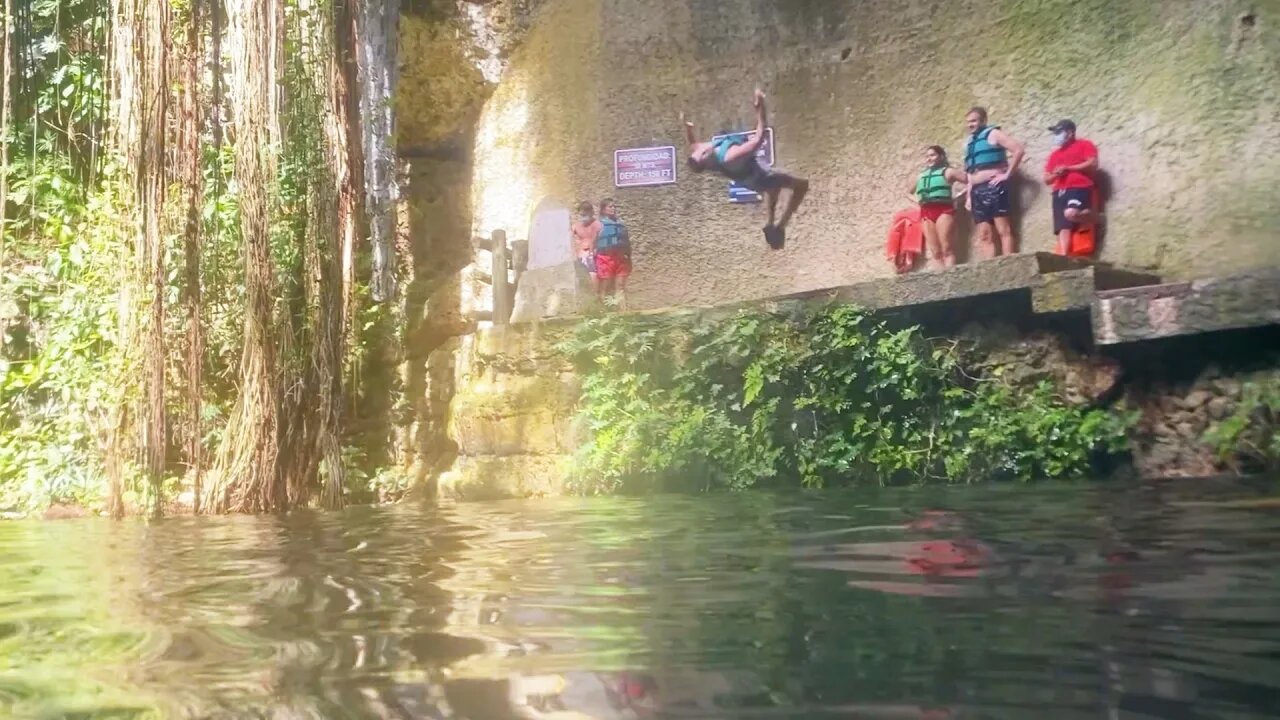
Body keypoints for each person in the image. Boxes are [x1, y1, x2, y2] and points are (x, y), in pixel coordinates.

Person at [682, 88, 809, 249]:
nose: (702, 150)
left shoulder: (702, 150)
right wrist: (761, 109)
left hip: (752, 176)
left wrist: (688, 129)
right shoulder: (730, 156)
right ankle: (781, 226)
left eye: (699, 152)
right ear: (705, 161)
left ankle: (770, 223)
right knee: (800, 185)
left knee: (774, 188)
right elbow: (758, 139)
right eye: (701, 154)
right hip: (758, 176)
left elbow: (693, 144)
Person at [962, 106, 1025, 259]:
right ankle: (988, 269)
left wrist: (1007, 175)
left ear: (983, 120)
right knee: (984, 234)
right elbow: (970, 172)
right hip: (977, 190)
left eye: (974, 121)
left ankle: (1009, 264)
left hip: (994, 187)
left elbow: (1018, 150)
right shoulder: (970, 142)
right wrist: (969, 196)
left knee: (1003, 229)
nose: (971, 124)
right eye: (969, 122)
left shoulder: (994, 134)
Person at [1042, 119, 1100, 255]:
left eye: (1058, 132)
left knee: (1071, 213)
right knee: (1063, 226)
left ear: (1070, 133)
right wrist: (1056, 174)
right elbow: (1046, 179)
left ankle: (1094, 217)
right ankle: (1064, 257)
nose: (1056, 136)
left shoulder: (1084, 145)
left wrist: (1069, 168)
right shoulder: (1054, 155)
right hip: (1059, 191)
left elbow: (1093, 163)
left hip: (1079, 187)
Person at [907, 145, 967, 268]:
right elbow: (908, 193)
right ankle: (941, 280)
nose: (929, 159)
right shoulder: (921, 176)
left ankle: (950, 279)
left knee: (947, 248)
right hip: (926, 212)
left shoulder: (948, 172)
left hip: (943, 210)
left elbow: (970, 181)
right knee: (935, 252)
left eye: (932, 155)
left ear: (941, 156)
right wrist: (917, 202)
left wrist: (959, 197)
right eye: (927, 156)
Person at [595, 198, 631, 310]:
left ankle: (623, 313)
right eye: (610, 206)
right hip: (605, 258)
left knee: (620, 286)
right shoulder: (598, 224)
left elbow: (627, 242)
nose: (613, 208)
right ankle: (603, 313)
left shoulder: (621, 224)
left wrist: (628, 256)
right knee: (605, 287)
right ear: (603, 209)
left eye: (614, 206)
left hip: (621, 258)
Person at [569, 200, 602, 298]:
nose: (583, 216)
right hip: (579, 255)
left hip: (592, 254)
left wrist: (592, 252)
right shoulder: (575, 226)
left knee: (593, 275)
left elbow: (595, 239)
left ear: (591, 212)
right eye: (581, 213)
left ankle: (595, 297)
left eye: (585, 213)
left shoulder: (597, 224)